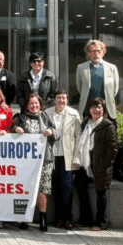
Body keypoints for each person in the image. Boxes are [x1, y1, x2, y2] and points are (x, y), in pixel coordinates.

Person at [13, 93, 58, 231]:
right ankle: (24, 218)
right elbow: (11, 130)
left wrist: (50, 131)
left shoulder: (45, 117)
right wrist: (16, 129)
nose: (34, 106)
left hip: (44, 159)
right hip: (25, 161)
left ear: (40, 104)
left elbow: (57, 133)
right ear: (27, 105)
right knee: (25, 188)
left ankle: (42, 219)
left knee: (42, 189)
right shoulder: (20, 118)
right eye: (31, 103)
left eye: (36, 103)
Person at [79, 97, 118, 231]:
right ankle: (85, 219)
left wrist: (106, 164)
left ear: (104, 110)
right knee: (80, 188)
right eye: (94, 107)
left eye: (100, 107)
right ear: (89, 110)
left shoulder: (108, 125)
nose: (96, 110)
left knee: (101, 193)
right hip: (85, 162)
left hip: (101, 164)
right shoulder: (85, 123)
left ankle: (101, 223)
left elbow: (113, 148)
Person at [46, 89, 82, 228]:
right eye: (59, 98)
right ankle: (58, 218)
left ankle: (67, 218)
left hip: (68, 156)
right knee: (55, 188)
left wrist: (77, 157)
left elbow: (79, 136)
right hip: (52, 155)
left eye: (64, 98)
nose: (61, 101)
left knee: (67, 188)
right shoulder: (47, 113)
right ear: (54, 99)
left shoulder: (73, 114)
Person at [76, 39, 120, 120]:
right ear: (88, 53)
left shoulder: (112, 68)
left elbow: (115, 89)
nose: (96, 53)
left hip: (107, 108)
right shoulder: (81, 68)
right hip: (88, 108)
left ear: (103, 52)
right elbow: (80, 88)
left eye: (98, 51)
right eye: (93, 51)